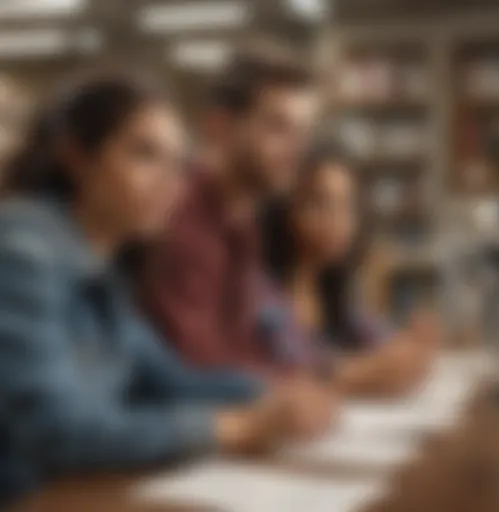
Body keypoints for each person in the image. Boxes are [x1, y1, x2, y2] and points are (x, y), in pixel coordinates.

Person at [0, 71, 332, 494]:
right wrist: (234, 427)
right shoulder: (23, 249)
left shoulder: (105, 264)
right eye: (144, 154)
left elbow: (171, 379)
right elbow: (58, 433)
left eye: (177, 164)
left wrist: (276, 392)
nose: (170, 183)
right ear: (77, 156)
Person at [139, 43, 321, 373]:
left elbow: (241, 351)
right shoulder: (182, 218)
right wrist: (308, 386)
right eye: (278, 127)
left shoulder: (241, 222)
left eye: (302, 133)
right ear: (219, 126)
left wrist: (317, 378)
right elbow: (199, 367)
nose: (297, 150)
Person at [262, 142, 440, 396]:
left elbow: (375, 337)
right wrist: (361, 372)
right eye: (319, 204)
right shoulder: (263, 290)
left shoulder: (333, 288)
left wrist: (409, 343)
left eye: (346, 205)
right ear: (286, 208)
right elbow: (292, 369)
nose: (337, 220)